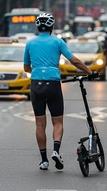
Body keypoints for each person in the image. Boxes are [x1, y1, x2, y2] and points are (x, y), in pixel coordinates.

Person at [23, 13, 96, 171]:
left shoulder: (30, 43)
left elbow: (26, 68)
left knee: (40, 124)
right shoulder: (58, 41)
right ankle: (56, 150)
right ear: (52, 27)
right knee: (57, 122)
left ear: (37, 27)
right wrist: (90, 72)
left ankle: (44, 160)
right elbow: (74, 60)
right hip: (53, 84)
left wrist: (37, 71)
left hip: (36, 85)